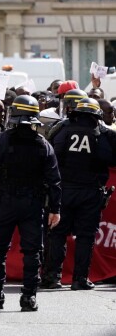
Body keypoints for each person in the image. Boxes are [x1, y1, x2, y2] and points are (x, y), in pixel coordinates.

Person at [0, 95, 61, 311]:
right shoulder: (43, 145)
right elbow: (54, 180)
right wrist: (55, 209)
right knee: (33, 252)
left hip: (5, 201)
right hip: (33, 205)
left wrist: (2, 184)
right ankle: (28, 298)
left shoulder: (1, 140)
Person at [41, 98, 116, 290]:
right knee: (85, 236)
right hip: (91, 193)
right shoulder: (104, 133)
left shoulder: (61, 128)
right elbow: (111, 159)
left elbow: (50, 155)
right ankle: (79, 278)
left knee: (57, 233)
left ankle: (52, 277)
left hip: (63, 190)